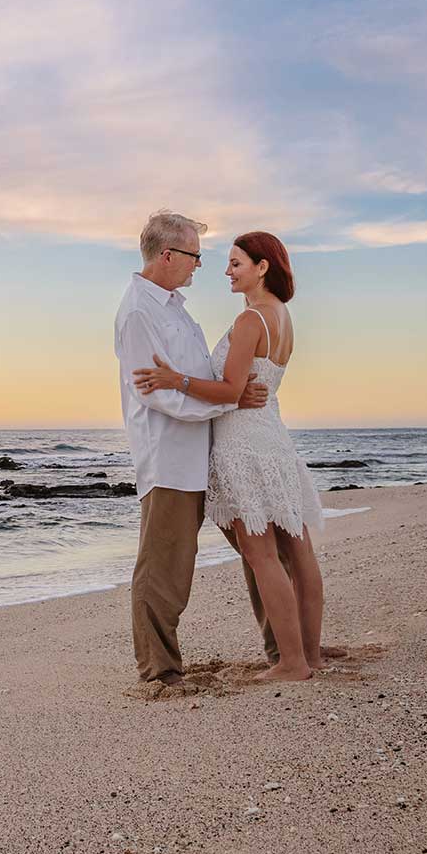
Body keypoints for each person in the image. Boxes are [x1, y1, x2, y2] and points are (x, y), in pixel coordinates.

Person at [134, 231, 327, 682]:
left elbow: (230, 391)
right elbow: (249, 388)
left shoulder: (250, 321)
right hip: (273, 440)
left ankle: (292, 663)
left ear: (263, 267)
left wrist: (174, 379)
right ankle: (310, 654)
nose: (226, 271)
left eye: (236, 263)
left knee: (260, 555)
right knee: (298, 552)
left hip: (243, 444)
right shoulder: (283, 316)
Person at [115, 210, 270, 699]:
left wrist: (228, 398)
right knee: (166, 567)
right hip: (171, 459)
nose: (201, 265)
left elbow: (194, 376)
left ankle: (283, 646)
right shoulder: (139, 311)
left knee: (258, 549)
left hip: (212, 450)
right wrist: (227, 400)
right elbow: (156, 394)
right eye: (194, 256)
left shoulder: (175, 307)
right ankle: (159, 672)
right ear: (167, 255)